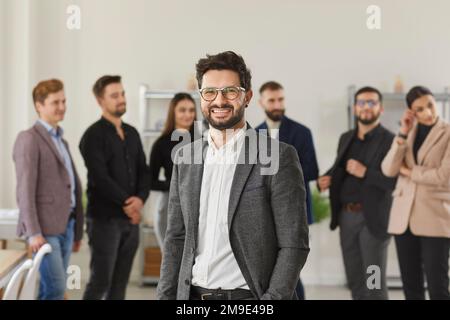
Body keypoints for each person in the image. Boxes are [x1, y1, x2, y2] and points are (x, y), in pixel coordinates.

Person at [157, 51, 310, 300]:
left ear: (247, 96)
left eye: (230, 91)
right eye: (210, 92)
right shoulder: (185, 158)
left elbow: (294, 243)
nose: (219, 100)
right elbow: (176, 237)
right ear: (201, 97)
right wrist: (165, 297)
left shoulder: (278, 156)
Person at [318, 86, 396, 300]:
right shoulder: (346, 138)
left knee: (374, 283)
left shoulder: (391, 141)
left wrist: (365, 173)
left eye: (372, 103)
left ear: (380, 108)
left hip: (372, 221)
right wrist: (326, 178)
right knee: (355, 282)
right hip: (346, 218)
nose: (366, 107)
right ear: (355, 108)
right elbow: (339, 169)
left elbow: (395, 182)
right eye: (362, 103)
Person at [80, 75, 150, 300]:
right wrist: (128, 204)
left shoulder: (132, 132)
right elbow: (101, 178)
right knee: (100, 282)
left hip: (131, 221)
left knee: (119, 287)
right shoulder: (92, 136)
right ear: (100, 100)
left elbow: (144, 170)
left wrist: (139, 200)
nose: (121, 99)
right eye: (114, 95)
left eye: (122, 93)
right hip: (104, 222)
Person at [13, 79, 84, 300]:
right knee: (55, 287)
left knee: (50, 289)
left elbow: (71, 185)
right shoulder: (29, 139)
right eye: (55, 102)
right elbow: (25, 189)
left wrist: (77, 228)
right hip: (43, 231)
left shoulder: (61, 140)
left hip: (66, 225)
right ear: (39, 105)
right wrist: (33, 233)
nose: (62, 107)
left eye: (64, 101)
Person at [381, 86, 450, 300]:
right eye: (419, 109)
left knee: (438, 286)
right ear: (411, 112)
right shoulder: (407, 133)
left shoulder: (447, 132)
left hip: (435, 216)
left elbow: (443, 176)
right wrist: (402, 132)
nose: (428, 112)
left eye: (430, 105)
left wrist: (408, 172)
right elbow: (388, 169)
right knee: (411, 287)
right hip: (404, 218)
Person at [256, 81, 319, 299]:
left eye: (280, 99)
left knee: (291, 268)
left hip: (295, 211)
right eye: (271, 100)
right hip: (262, 213)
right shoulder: (253, 135)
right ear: (261, 102)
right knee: (271, 270)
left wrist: (281, 173)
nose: (277, 105)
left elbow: (311, 170)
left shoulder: (302, 133)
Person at [149, 93, 197, 248]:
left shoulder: (204, 141)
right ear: (173, 113)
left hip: (198, 205)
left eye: (191, 110)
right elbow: (150, 181)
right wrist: (175, 185)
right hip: (170, 205)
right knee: (170, 259)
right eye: (182, 110)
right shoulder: (161, 144)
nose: (188, 114)